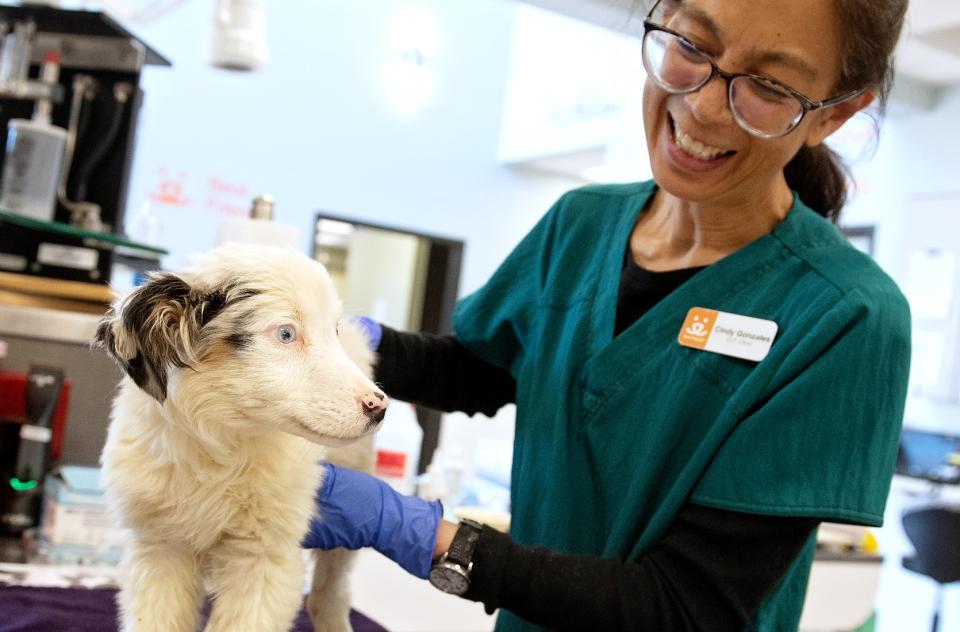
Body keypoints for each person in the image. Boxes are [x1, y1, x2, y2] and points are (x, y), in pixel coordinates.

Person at [304, 0, 912, 630]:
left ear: (834, 114)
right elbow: (479, 371)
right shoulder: (581, 224)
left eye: (766, 84)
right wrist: (341, 340)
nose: (703, 106)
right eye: (694, 47)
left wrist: (421, 536)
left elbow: (685, 606)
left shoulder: (846, 316)